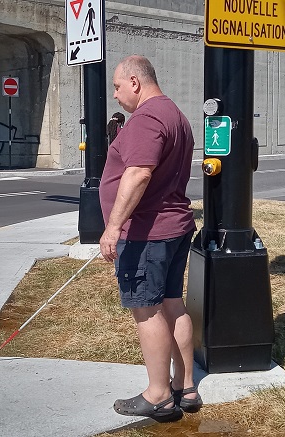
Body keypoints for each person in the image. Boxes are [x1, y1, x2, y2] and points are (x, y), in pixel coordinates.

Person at [98, 55, 200, 421]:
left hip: (146, 233)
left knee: (147, 309)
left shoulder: (146, 118)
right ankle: (186, 388)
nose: (115, 94)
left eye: (117, 86)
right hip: (173, 228)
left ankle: (159, 395)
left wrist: (113, 227)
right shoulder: (175, 115)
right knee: (173, 304)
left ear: (135, 82)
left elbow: (139, 173)